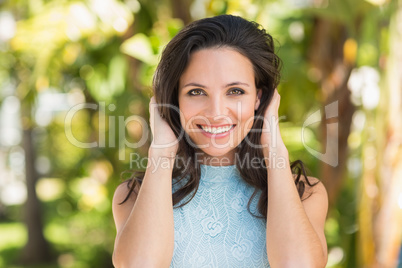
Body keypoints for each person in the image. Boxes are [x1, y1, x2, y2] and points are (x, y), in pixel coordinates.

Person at [112, 14, 328, 267]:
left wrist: (274, 152)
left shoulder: (306, 194)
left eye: (235, 91)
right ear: (172, 100)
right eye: (196, 92)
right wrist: (161, 153)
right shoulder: (133, 195)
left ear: (260, 98)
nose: (216, 112)